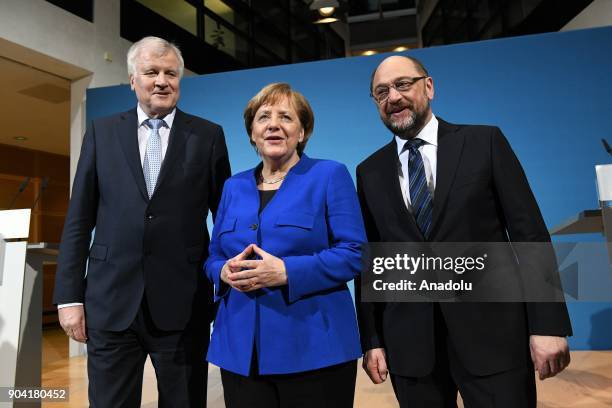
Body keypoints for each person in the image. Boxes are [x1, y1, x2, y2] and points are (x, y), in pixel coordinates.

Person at [356, 55, 573, 407]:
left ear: (429, 86)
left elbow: (529, 235)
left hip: (494, 338)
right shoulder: (369, 171)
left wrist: (548, 323)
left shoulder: (484, 142)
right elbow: (371, 262)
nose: (392, 97)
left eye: (402, 84)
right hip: (411, 349)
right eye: (381, 92)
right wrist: (372, 339)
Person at [53, 36, 231, 407]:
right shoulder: (102, 133)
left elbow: (225, 218)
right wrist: (69, 297)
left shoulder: (208, 136)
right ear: (133, 80)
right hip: (110, 302)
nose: (162, 81)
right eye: (152, 72)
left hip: (183, 304)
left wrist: (223, 290)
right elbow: (78, 219)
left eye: (171, 73)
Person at [205, 82, 365, 407]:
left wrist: (286, 272)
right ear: (252, 133)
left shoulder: (329, 175)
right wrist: (223, 271)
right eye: (263, 117)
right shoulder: (233, 187)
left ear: (302, 132)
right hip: (240, 350)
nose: (274, 124)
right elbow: (213, 257)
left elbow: (354, 253)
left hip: (315, 347)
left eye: (286, 117)